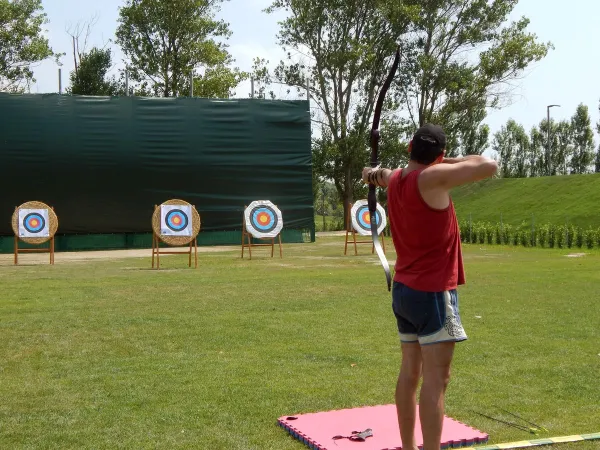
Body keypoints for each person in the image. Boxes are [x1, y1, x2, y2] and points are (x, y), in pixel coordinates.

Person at [362, 123, 498, 450]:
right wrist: (444, 161)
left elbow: (377, 175)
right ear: (438, 155)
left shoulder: (396, 178)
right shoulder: (433, 177)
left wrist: (371, 173)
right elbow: (488, 165)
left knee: (410, 373)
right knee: (437, 380)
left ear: (409, 147)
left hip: (405, 290)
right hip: (433, 292)